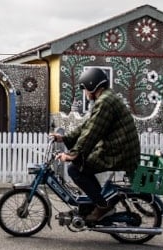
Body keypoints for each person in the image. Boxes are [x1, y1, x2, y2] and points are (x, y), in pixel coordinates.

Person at [51, 67, 140, 223]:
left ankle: (101, 206)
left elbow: (91, 133)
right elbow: (87, 125)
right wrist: (64, 138)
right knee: (81, 165)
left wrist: (72, 154)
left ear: (92, 86)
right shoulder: (105, 98)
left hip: (119, 152)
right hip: (118, 148)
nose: (85, 93)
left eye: (85, 89)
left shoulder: (105, 102)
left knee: (75, 168)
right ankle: (96, 202)